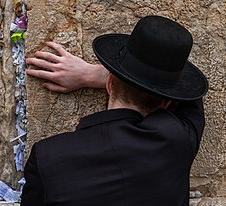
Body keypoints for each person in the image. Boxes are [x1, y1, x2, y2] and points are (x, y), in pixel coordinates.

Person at [21, 16, 208, 206]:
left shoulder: (48, 157)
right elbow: (191, 97)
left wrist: (93, 75)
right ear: (167, 103)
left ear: (110, 85)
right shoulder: (177, 140)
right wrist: (94, 75)